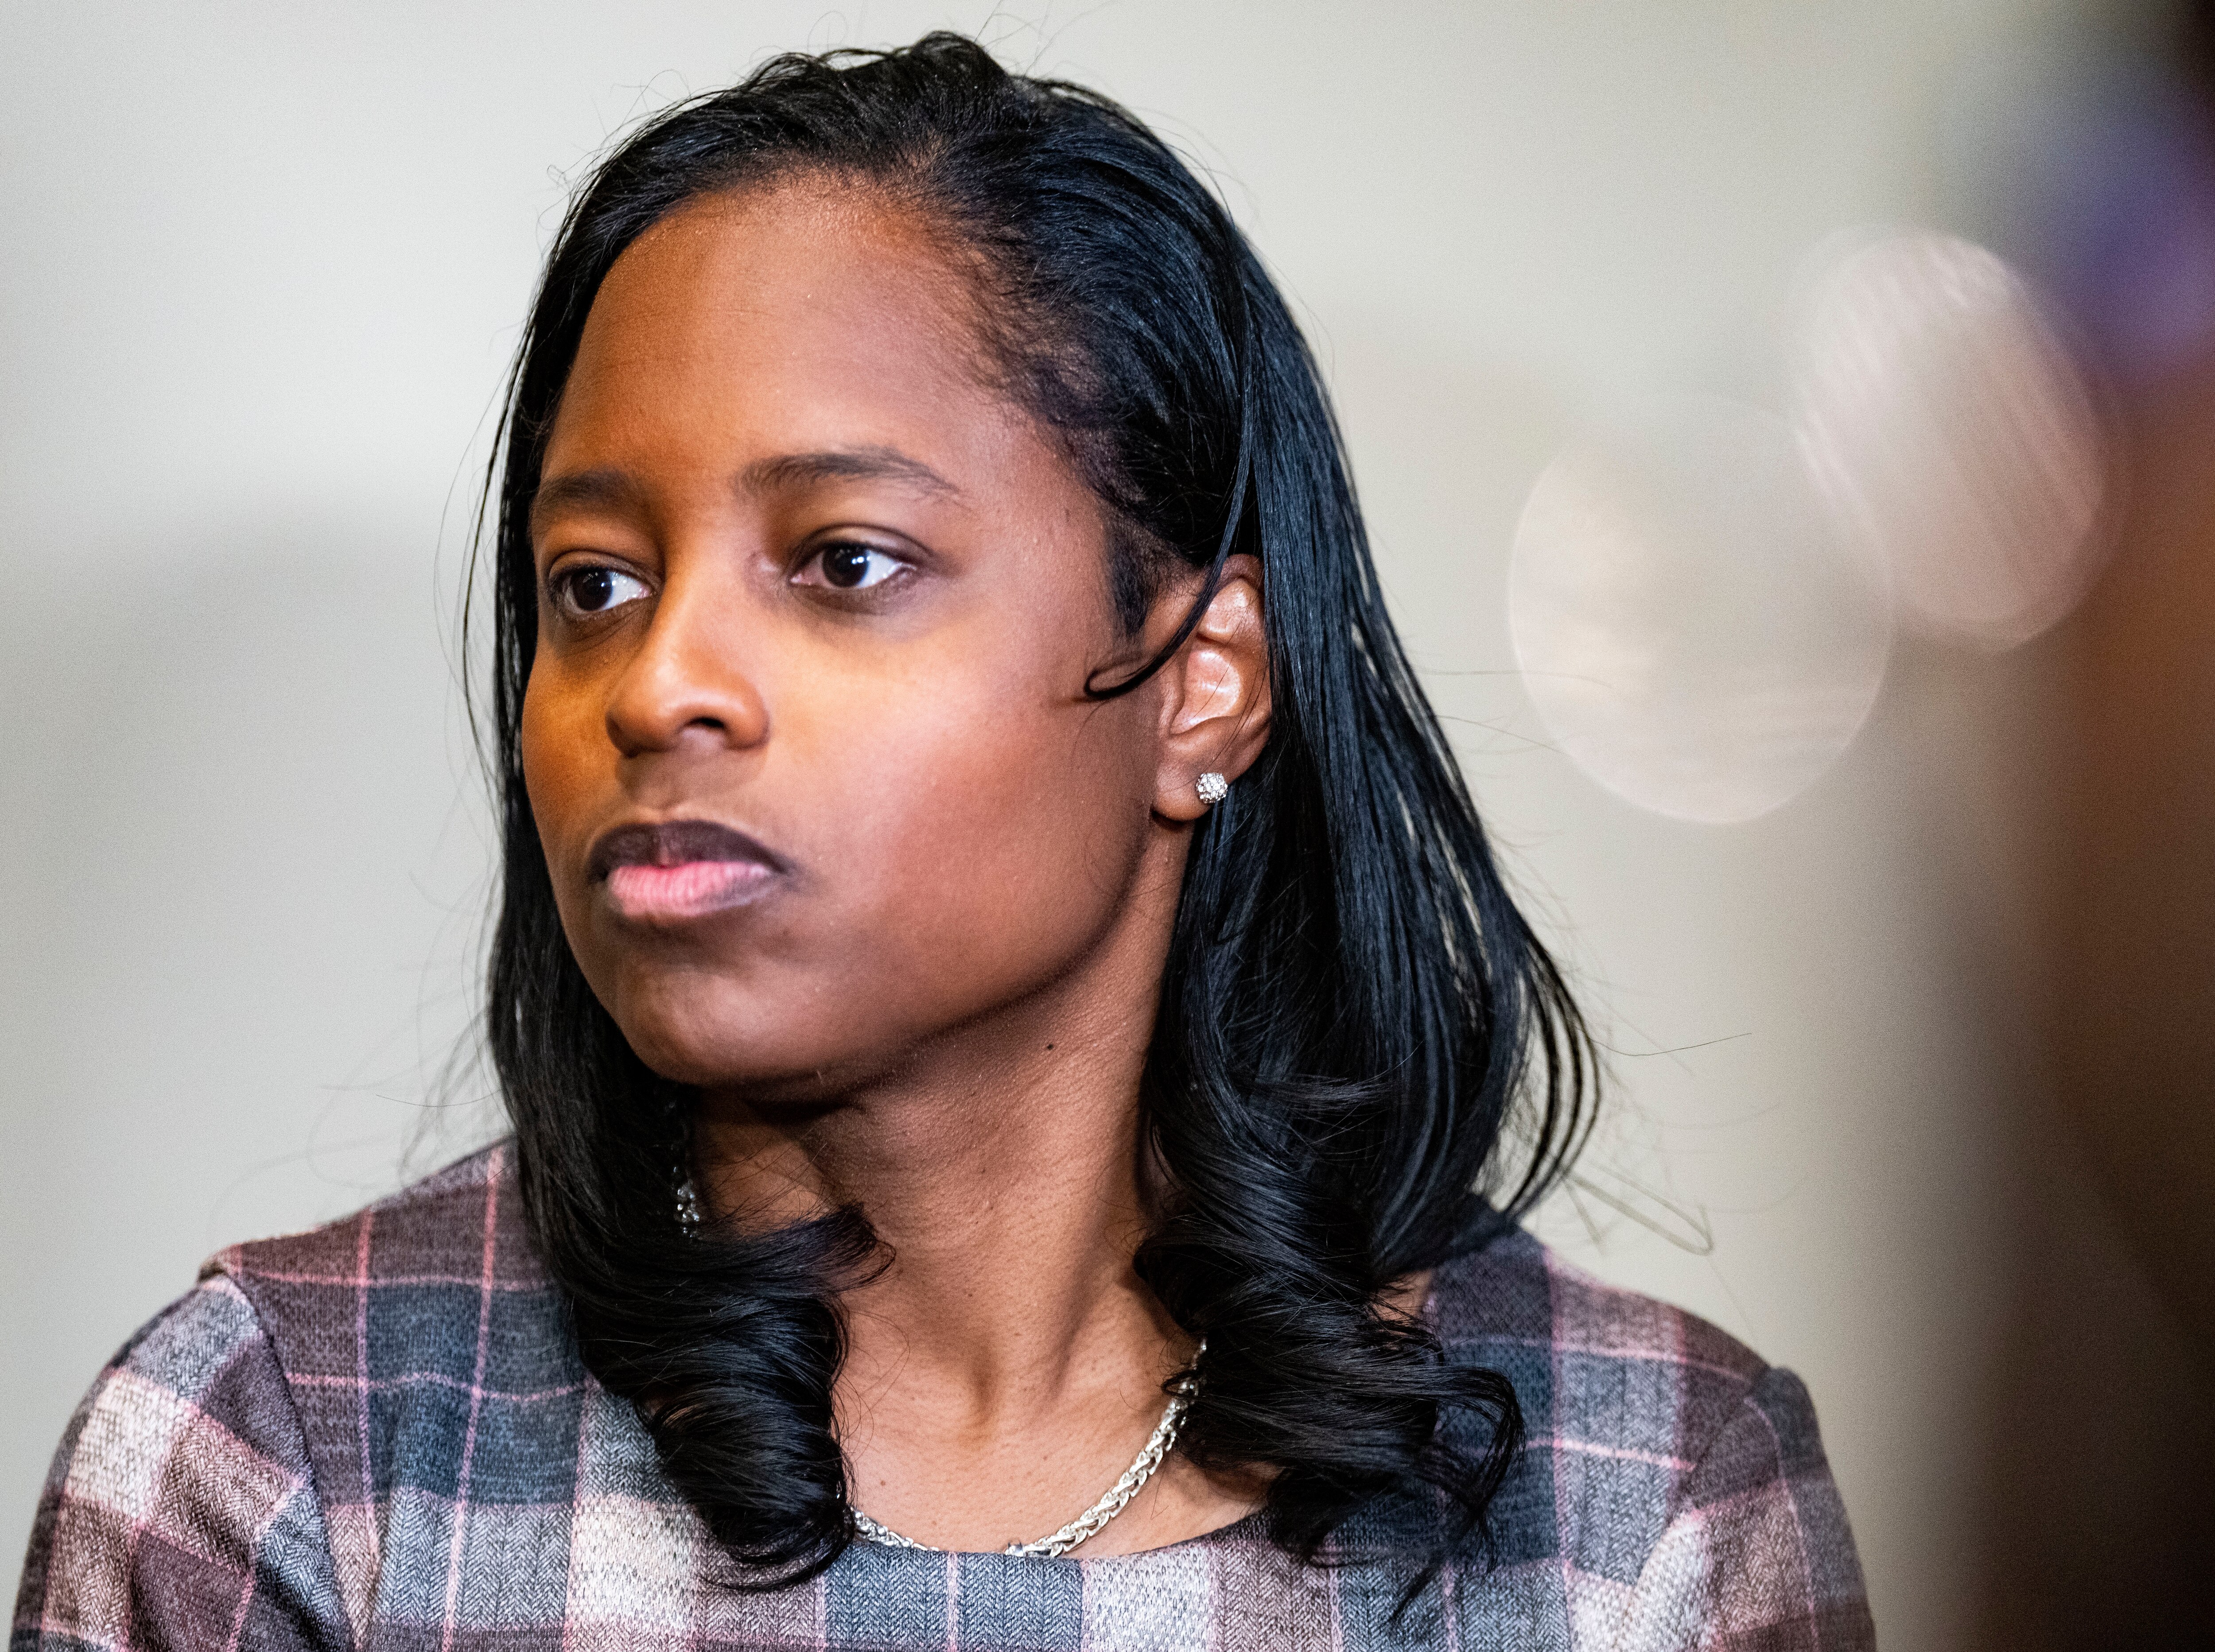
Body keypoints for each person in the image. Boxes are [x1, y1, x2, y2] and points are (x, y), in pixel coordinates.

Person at [12, 35, 1871, 1650]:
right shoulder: (286, 1456)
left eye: (843, 562)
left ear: (1201, 682)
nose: (658, 686)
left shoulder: (1640, 1508)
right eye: (593, 584)